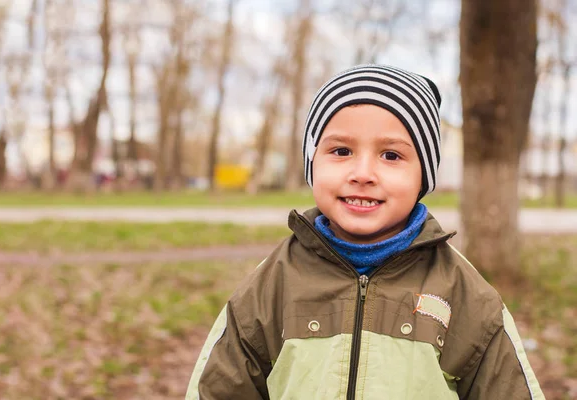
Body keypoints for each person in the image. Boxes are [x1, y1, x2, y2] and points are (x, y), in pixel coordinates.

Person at [186, 64, 544, 399]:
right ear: (313, 163)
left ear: (423, 177)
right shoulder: (271, 285)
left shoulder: (463, 293)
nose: (362, 173)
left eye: (391, 156)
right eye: (341, 150)